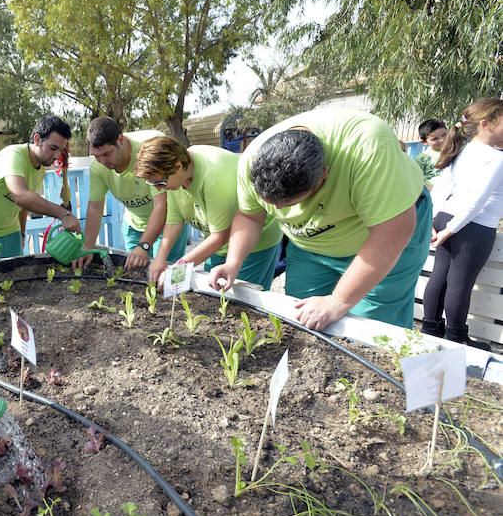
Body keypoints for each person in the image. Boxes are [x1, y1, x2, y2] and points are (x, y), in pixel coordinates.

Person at [210, 108, 432, 331]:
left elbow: (391, 233)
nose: (276, 210)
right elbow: (249, 216)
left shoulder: (368, 147)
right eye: (269, 202)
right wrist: (232, 263)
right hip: (310, 246)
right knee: (303, 317)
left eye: (290, 204)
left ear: (323, 175)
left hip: (384, 238)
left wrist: (337, 301)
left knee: (372, 327)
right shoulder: (252, 159)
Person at [133, 136, 283, 290]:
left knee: (240, 300)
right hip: (218, 241)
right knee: (214, 291)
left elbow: (220, 236)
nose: (159, 189)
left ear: (177, 167)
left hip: (253, 240)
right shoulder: (175, 177)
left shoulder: (213, 176)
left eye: (160, 183)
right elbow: (174, 221)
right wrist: (160, 258)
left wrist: (180, 267)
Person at [421, 98, 503, 348]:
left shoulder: (463, 149)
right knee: (460, 282)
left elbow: (442, 188)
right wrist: (450, 230)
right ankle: (456, 338)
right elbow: (477, 201)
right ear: (487, 124)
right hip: (473, 227)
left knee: (440, 277)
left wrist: (433, 221)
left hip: (448, 217)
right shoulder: (496, 158)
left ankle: (430, 330)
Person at [73, 117, 187, 275]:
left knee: (165, 277)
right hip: (134, 224)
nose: (102, 161)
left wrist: (144, 246)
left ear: (120, 139)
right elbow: (95, 207)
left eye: (106, 154)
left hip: (169, 224)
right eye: (96, 156)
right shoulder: (98, 168)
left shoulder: (147, 152)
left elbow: (162, 206)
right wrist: (88, 246)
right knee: (134, 275)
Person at [0, 114, 79, 262]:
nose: (57, 156)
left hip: (11, 232)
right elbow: (20, 195)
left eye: (61, 150)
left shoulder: (41, 165)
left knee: (14, 281)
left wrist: (22, 233)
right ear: (37, 139)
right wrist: (63, 214)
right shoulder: (13, 155)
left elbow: (26, 202)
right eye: (53, 148)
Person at [415, 119, 448, 188]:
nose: (442, 140)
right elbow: (416, 179)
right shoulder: (422, 158)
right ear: (424, 142)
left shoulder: (455, 151)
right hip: (433, 194)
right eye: (435, 139)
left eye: (444, 135)